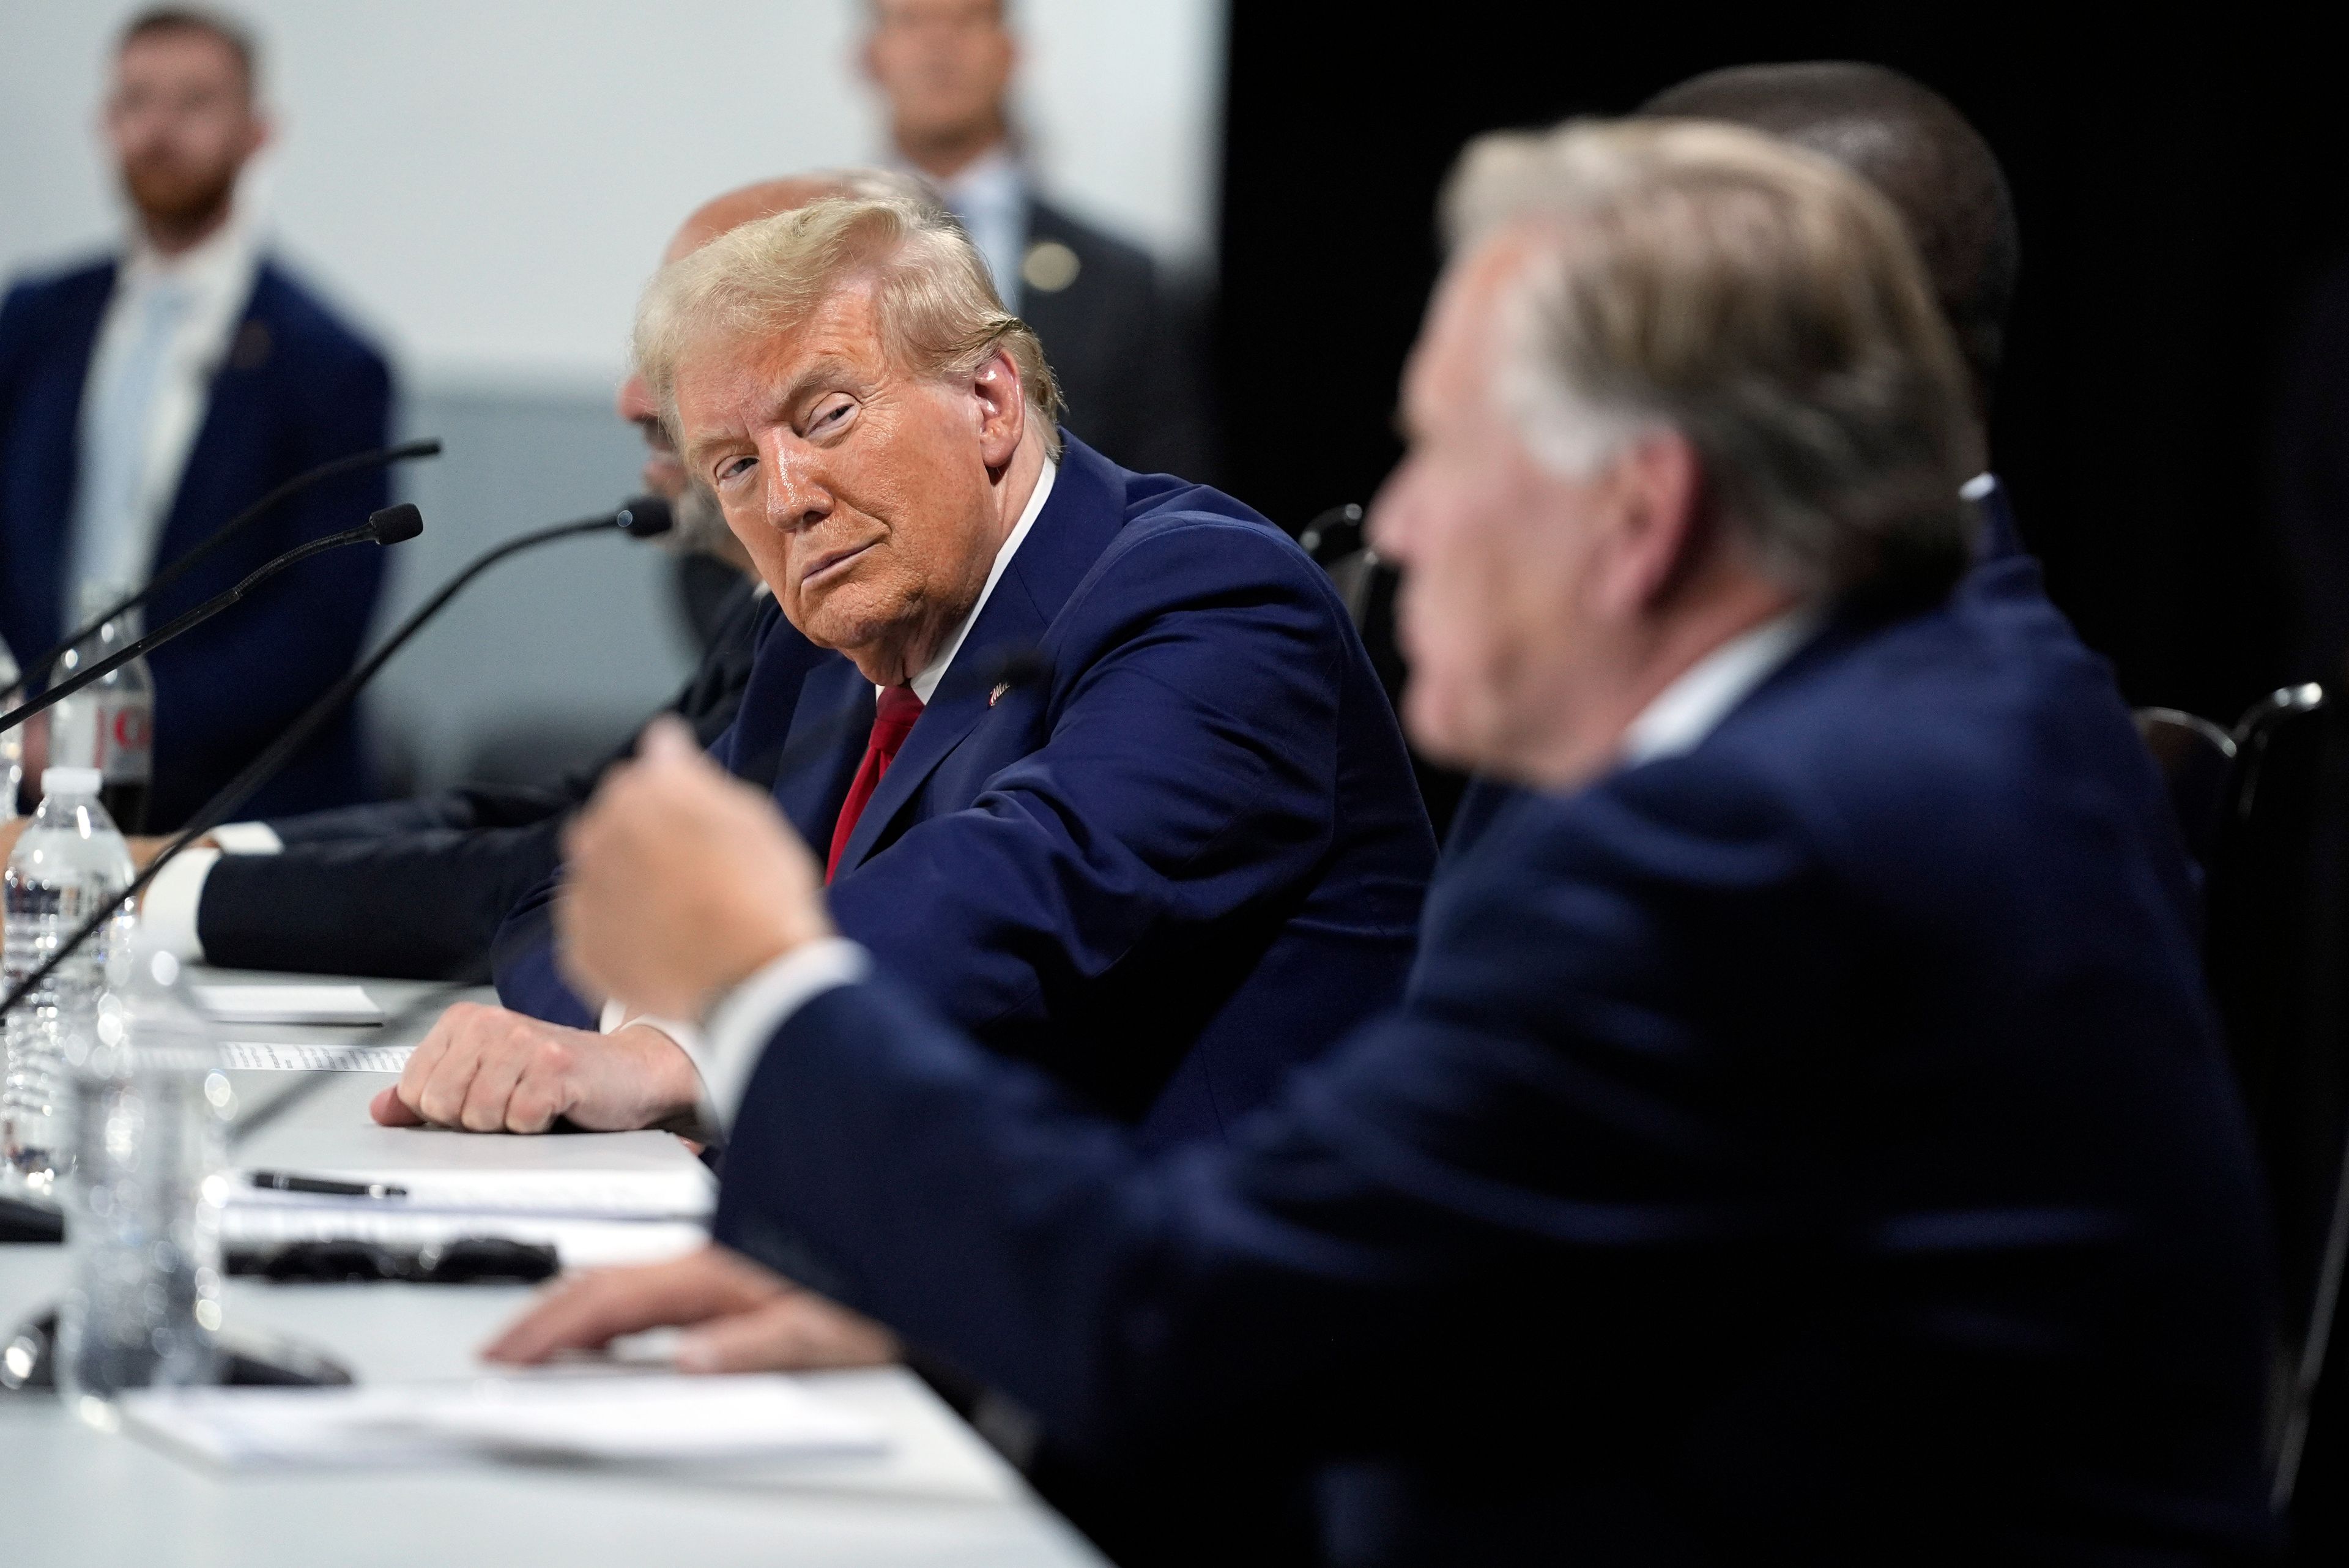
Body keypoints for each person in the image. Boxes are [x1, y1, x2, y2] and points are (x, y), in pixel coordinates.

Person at [492, 119, 2273, 1564]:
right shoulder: (1911, 713)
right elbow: (1451, 1271)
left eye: (1435, 451)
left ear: (1632, 511)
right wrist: (952, 1301)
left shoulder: (1763, 834)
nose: (1399, 523)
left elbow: (1190, 1331)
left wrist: (761, 984)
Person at [374, 192, 1434, 1148]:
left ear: (989, 400)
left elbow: (1031, 885)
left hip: (1177, 1316)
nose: (787, 497)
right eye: (735, 465)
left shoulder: (1212, 595)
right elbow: (583, 887)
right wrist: (632, 1031)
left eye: (827, 414)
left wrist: (681, 1045)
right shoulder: (827, 637)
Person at [0, 176, 905, 981]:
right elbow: (559, 818)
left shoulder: (854, 618)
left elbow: (555, 877)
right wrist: (171, 859)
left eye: (697, 351)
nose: (636, 400)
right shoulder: (764, 615)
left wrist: (131, 886)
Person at [0, 7, 392, 829]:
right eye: (138, 102)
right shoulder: (36, 322)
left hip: (230, 803)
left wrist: (103, 732)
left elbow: (317, 626)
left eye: (194, 103)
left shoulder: (327, 360)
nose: (160, 129)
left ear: (257, 132)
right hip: (26, 786)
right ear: (108, 123)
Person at [864, 0, 1213, 480]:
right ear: (869, 56)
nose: (938, 45)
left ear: (1012, 50)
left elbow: (1172, 486)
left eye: (965, 20)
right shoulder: (809, 276)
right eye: (912, 22)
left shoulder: (1123, 281)